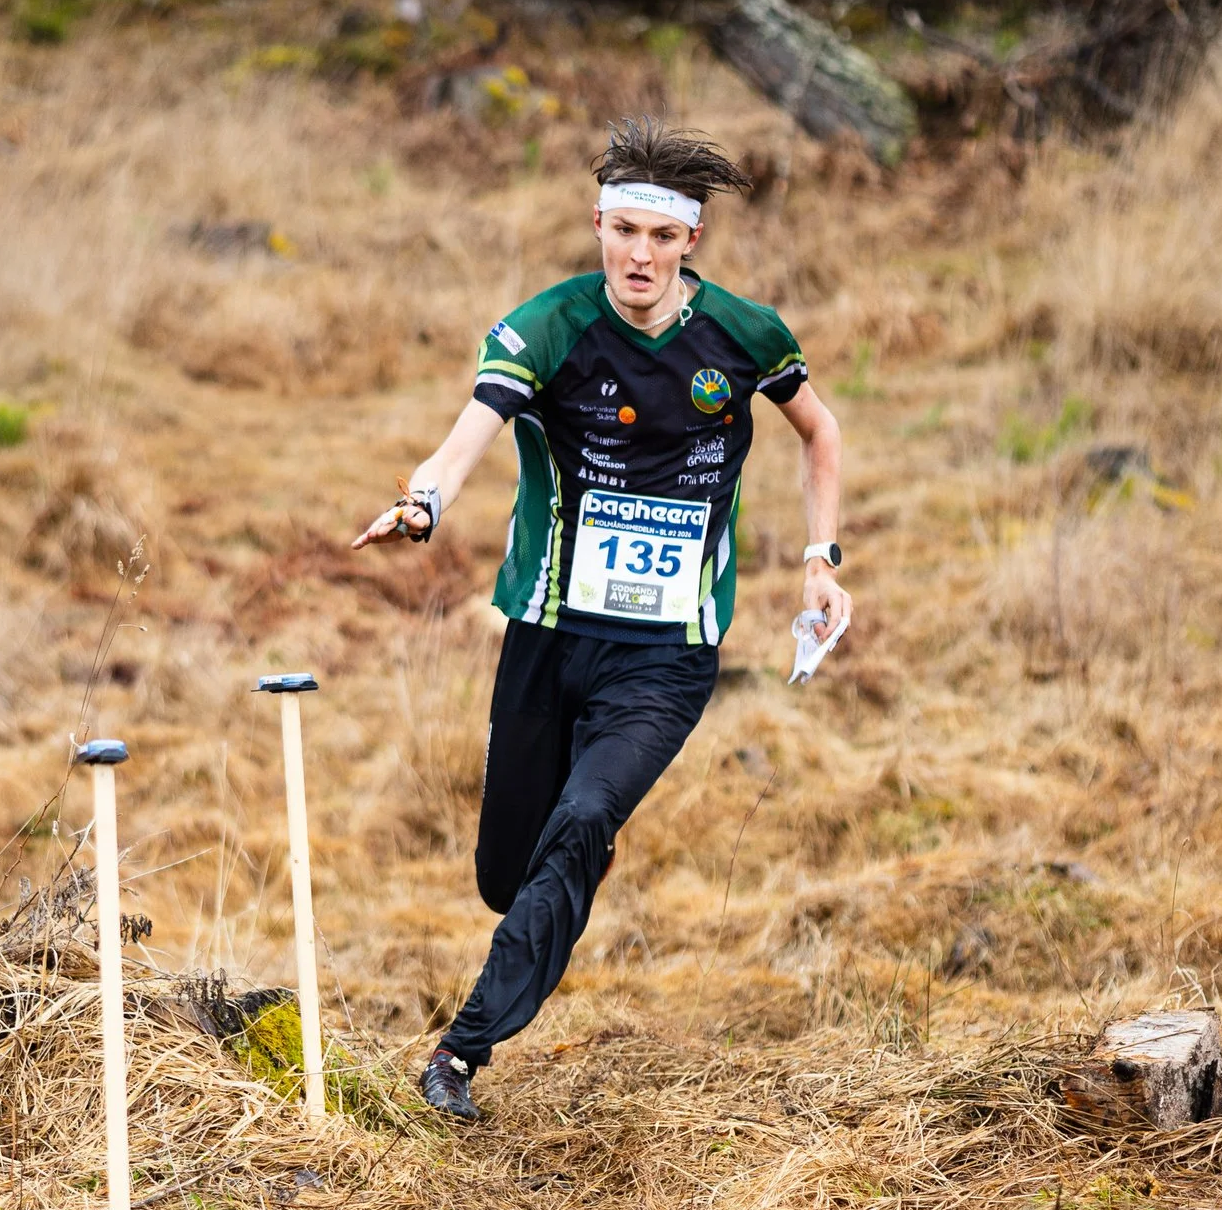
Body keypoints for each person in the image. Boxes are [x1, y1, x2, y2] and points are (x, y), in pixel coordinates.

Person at [353, 117, 850, 1121]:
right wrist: (425, 502)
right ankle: (575, 855)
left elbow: (819, 428)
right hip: (548, 632)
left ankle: (459, 1052)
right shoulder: (547, 325)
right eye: (624, 231)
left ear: (690, 242)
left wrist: (819, 558)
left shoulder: (746, 336)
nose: (640, 256)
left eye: (662, 237)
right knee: (508, 872)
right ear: (597, 226)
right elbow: (467, 437)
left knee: (581, 819)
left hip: (668, 653)